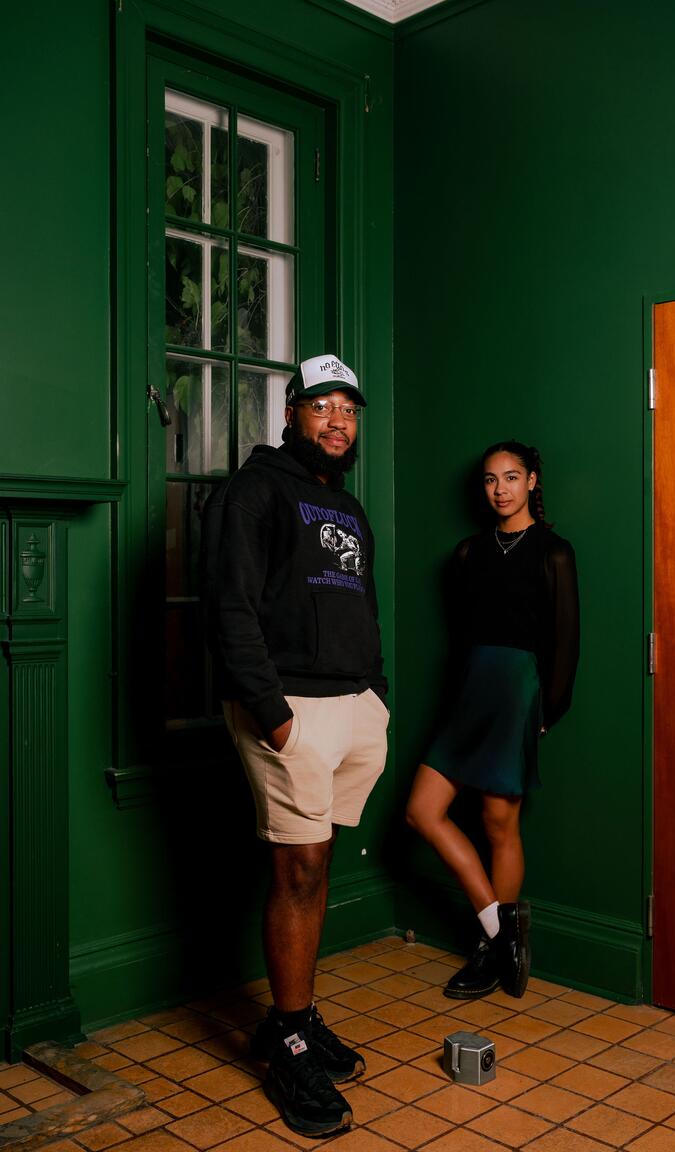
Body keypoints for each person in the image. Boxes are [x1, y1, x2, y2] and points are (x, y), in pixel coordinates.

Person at [202, 354, 388, 1138]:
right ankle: (287, 1042)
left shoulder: (345, 507)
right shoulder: (256, 490)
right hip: (290, 711)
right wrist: (272, 711)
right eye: (322, 406)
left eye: (348, 407)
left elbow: (359, 604)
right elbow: (229, 606)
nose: (337, 420)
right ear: (292, 415)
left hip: (354, 708)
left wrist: (376, 695)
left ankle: (296, 1018)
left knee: (316, 861)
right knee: (298, 865)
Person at [406, 440, 578, 1001]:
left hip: (517, 692)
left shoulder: (554, 551)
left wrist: (544, 712)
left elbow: (565, 643)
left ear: (533, 481)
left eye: (511, 477)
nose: (500, 488)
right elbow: (461, 639)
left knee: (497, 822)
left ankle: (487, 948)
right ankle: (502, 934)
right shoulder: (466, 553)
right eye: (489, 479)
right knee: (421, 812)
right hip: (469, 692)